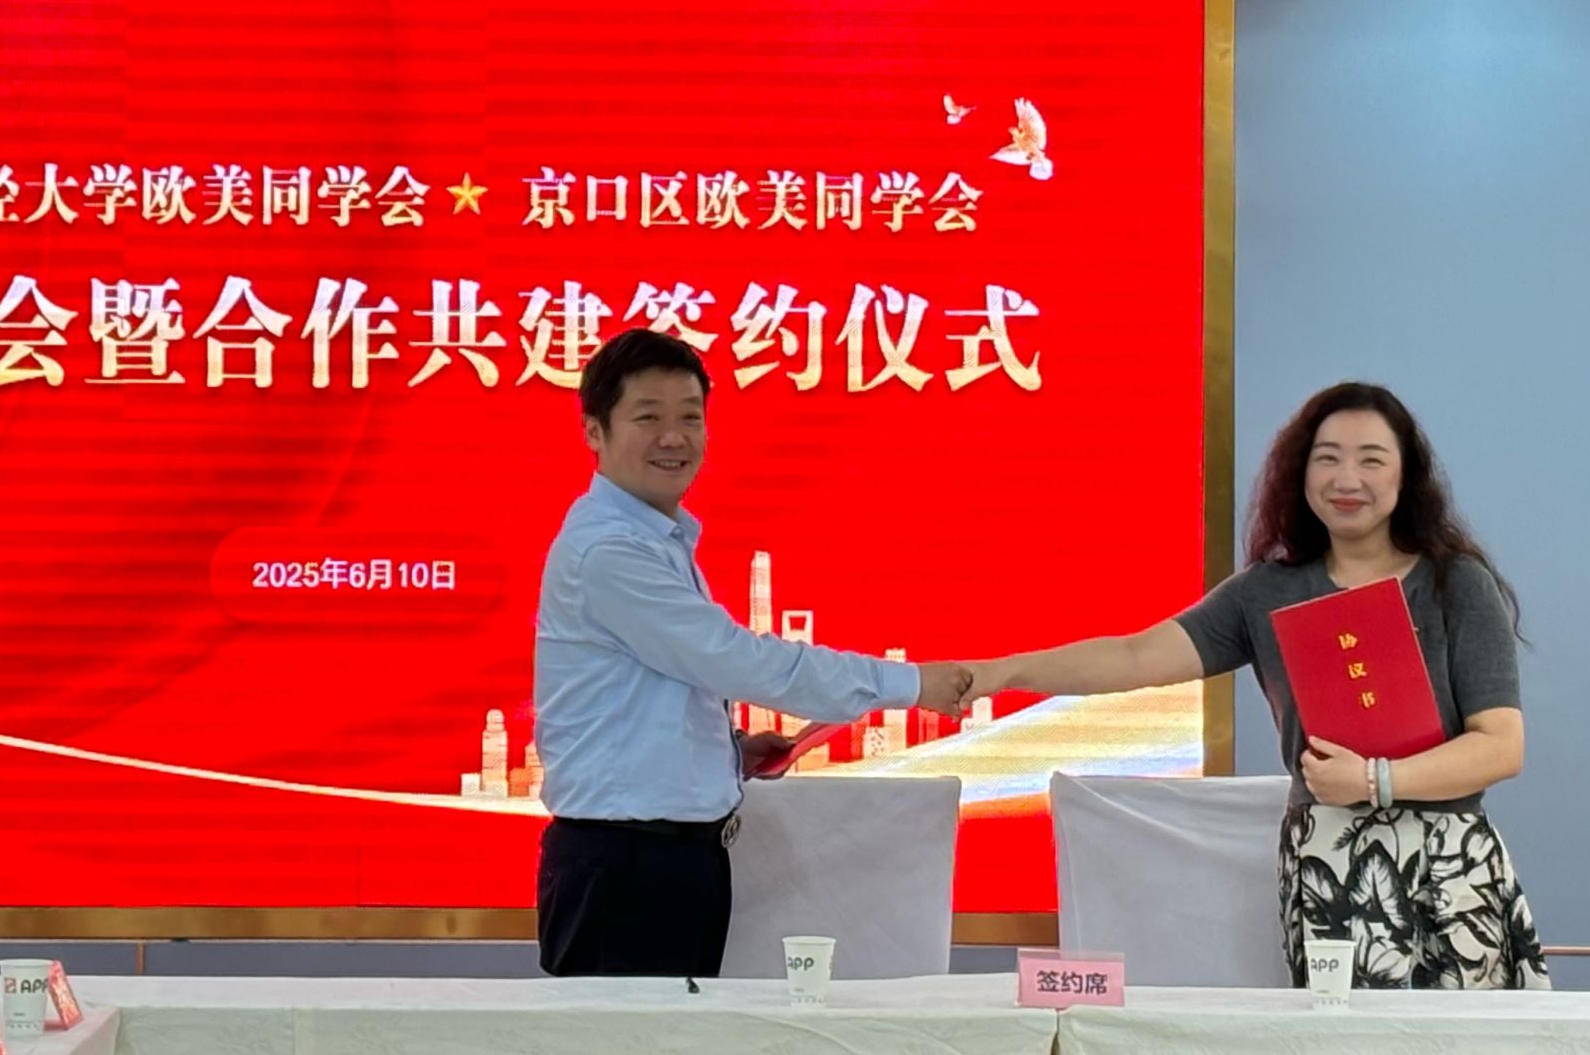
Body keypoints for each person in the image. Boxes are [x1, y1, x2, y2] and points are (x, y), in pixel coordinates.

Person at [969, 382, 1548, 990]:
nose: (1347, 477)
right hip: (1327, 861)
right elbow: (1135, 655)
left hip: (1449, 862)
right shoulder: (1266, 592)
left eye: (1372, 459)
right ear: (1301, 472)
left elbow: (1500, 746)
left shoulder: (1457, 584)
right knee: (1340, 1034)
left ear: (1408, 475)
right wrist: (1005, 673)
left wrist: (1373, 781)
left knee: (1463, 1035)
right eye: (1327, 458)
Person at [533, 327, 974, 978]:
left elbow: (645, 696)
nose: (674, 437)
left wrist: (727, 751)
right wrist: (913, 684)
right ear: (593, 431)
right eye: (648, 417)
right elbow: (741, 662)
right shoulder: (611, 552)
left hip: (664, 858)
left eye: (690, 417)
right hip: (625, 866)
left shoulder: (652, 538)